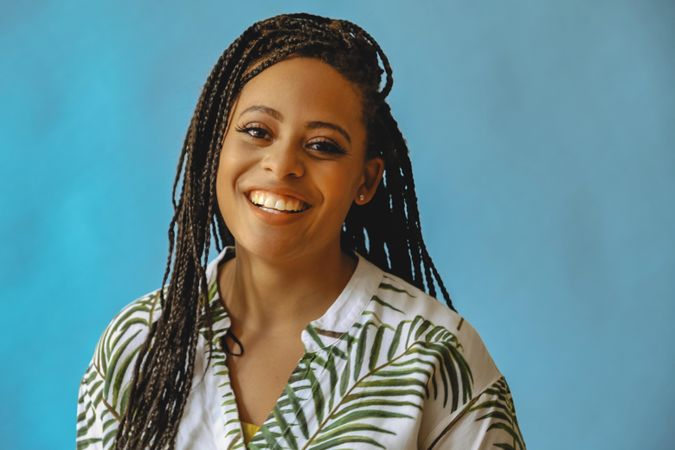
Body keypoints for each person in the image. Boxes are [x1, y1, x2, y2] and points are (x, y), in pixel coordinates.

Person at [76, 12, 525, 450]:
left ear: (365, 181)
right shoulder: (138, 342)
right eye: (257, 131)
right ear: (216, 146)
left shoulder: (436, 355)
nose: (283, 165)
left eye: (322, 146)